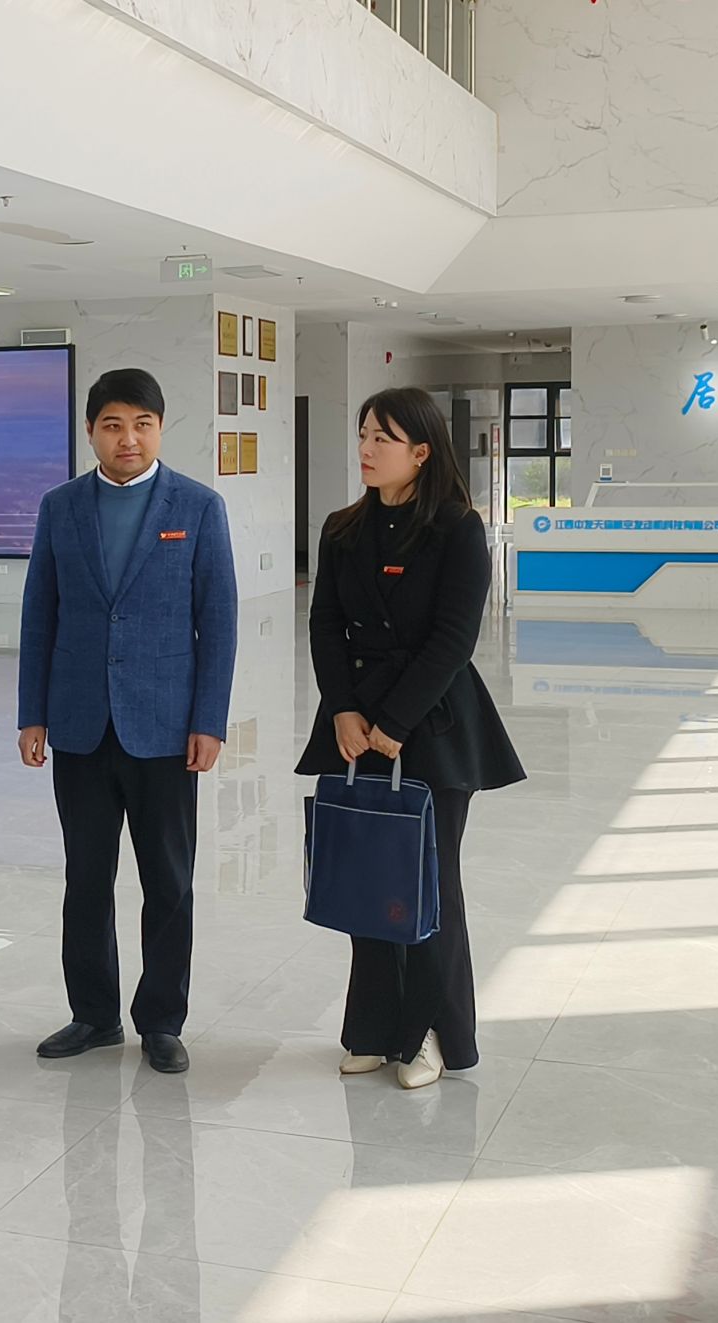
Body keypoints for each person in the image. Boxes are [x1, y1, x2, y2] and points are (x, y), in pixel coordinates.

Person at [295, 387, 525, 1090]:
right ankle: (372, 1027)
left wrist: (393, 722)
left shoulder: (458, 528)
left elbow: (454, 638)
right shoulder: (342, 528)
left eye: (382, 439)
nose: (366, 450)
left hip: (433, 725)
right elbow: (325, 625)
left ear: (421, 452)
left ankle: (432, 1033)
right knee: (368, 875)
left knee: (428, 883)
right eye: (363, 435)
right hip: (354, 725)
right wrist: (342, 710)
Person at [17, 367, 238, 1075]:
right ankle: (93, 1013)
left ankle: (162, 1020)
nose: (128, 438)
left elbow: (219, 620)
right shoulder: (60, 507)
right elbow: (39, 614)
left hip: (166, 726)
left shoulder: (197, 507)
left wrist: (210, 719)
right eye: (113, 425)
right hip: (80, 723)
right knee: (86, 877)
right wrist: (32, 713)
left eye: (142, 424)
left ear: (161, 428)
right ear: (91, 431)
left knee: (168, 880)